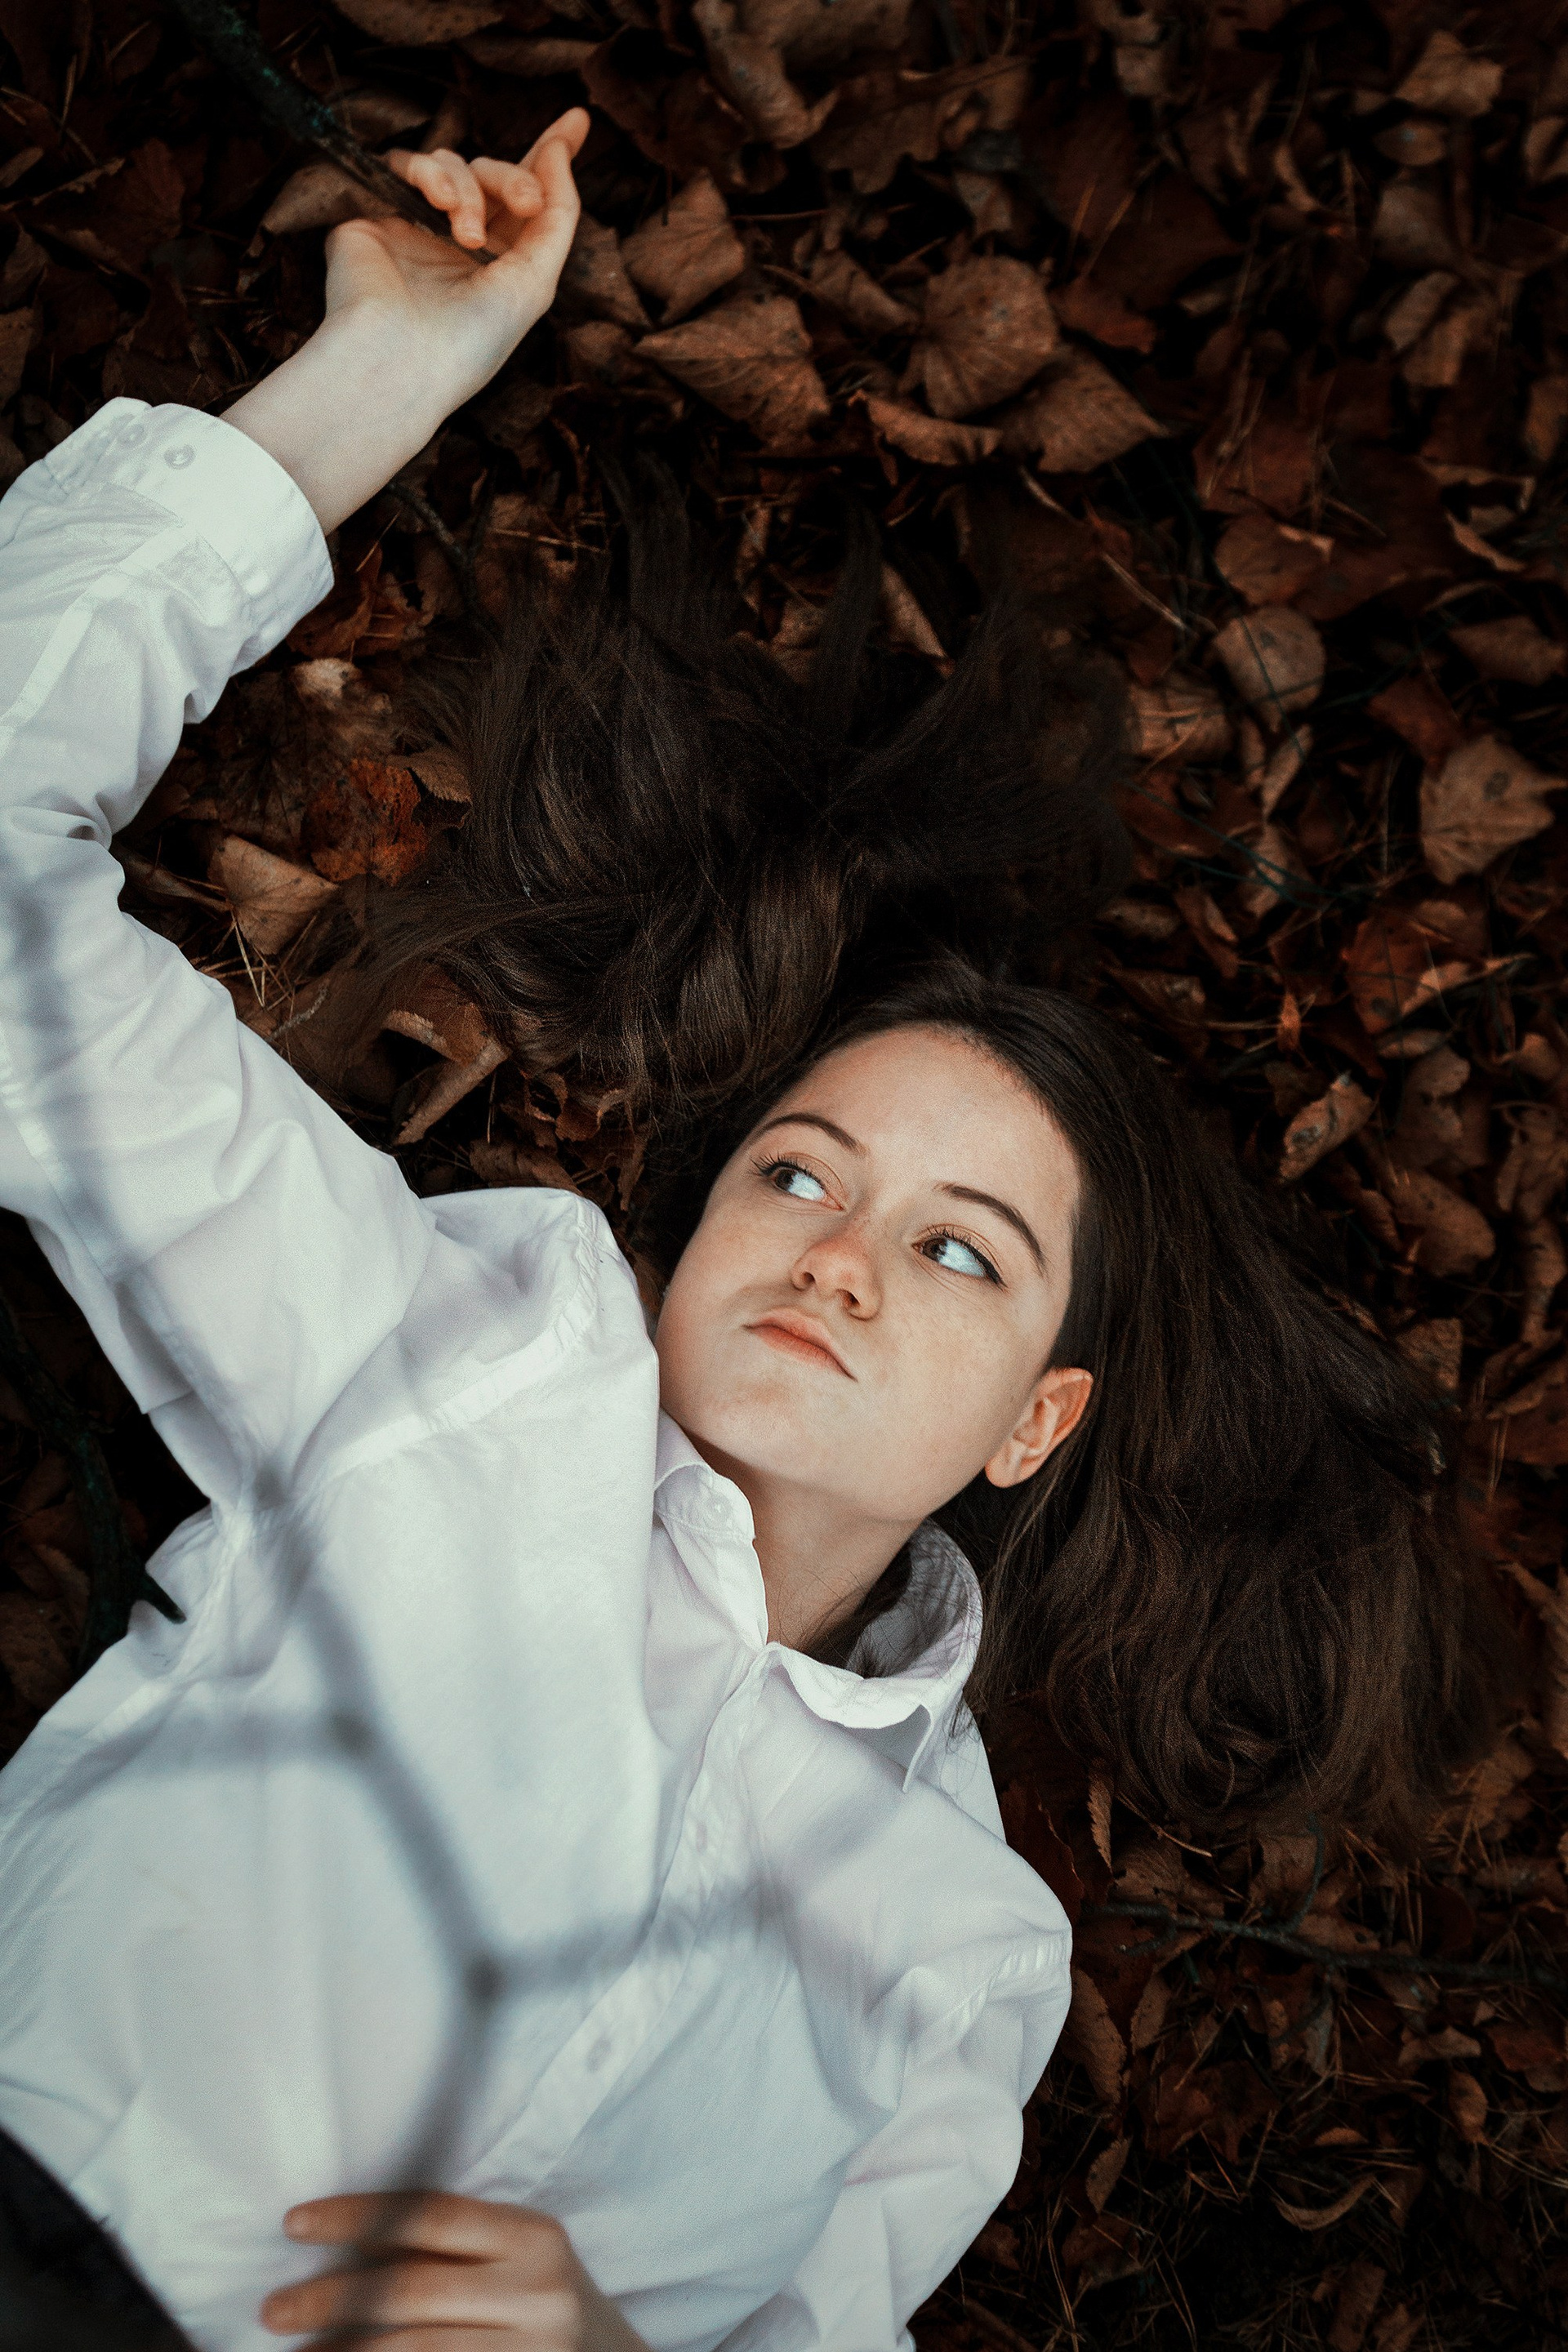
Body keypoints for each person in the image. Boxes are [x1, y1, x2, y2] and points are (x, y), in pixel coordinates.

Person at [0, 105, 1503, 2352]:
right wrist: (375, 379)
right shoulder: (459, 1372)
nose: (842, 1257)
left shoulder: (961, 1954)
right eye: (801, 1172)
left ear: (1038, 1419)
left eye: (964, 1251)